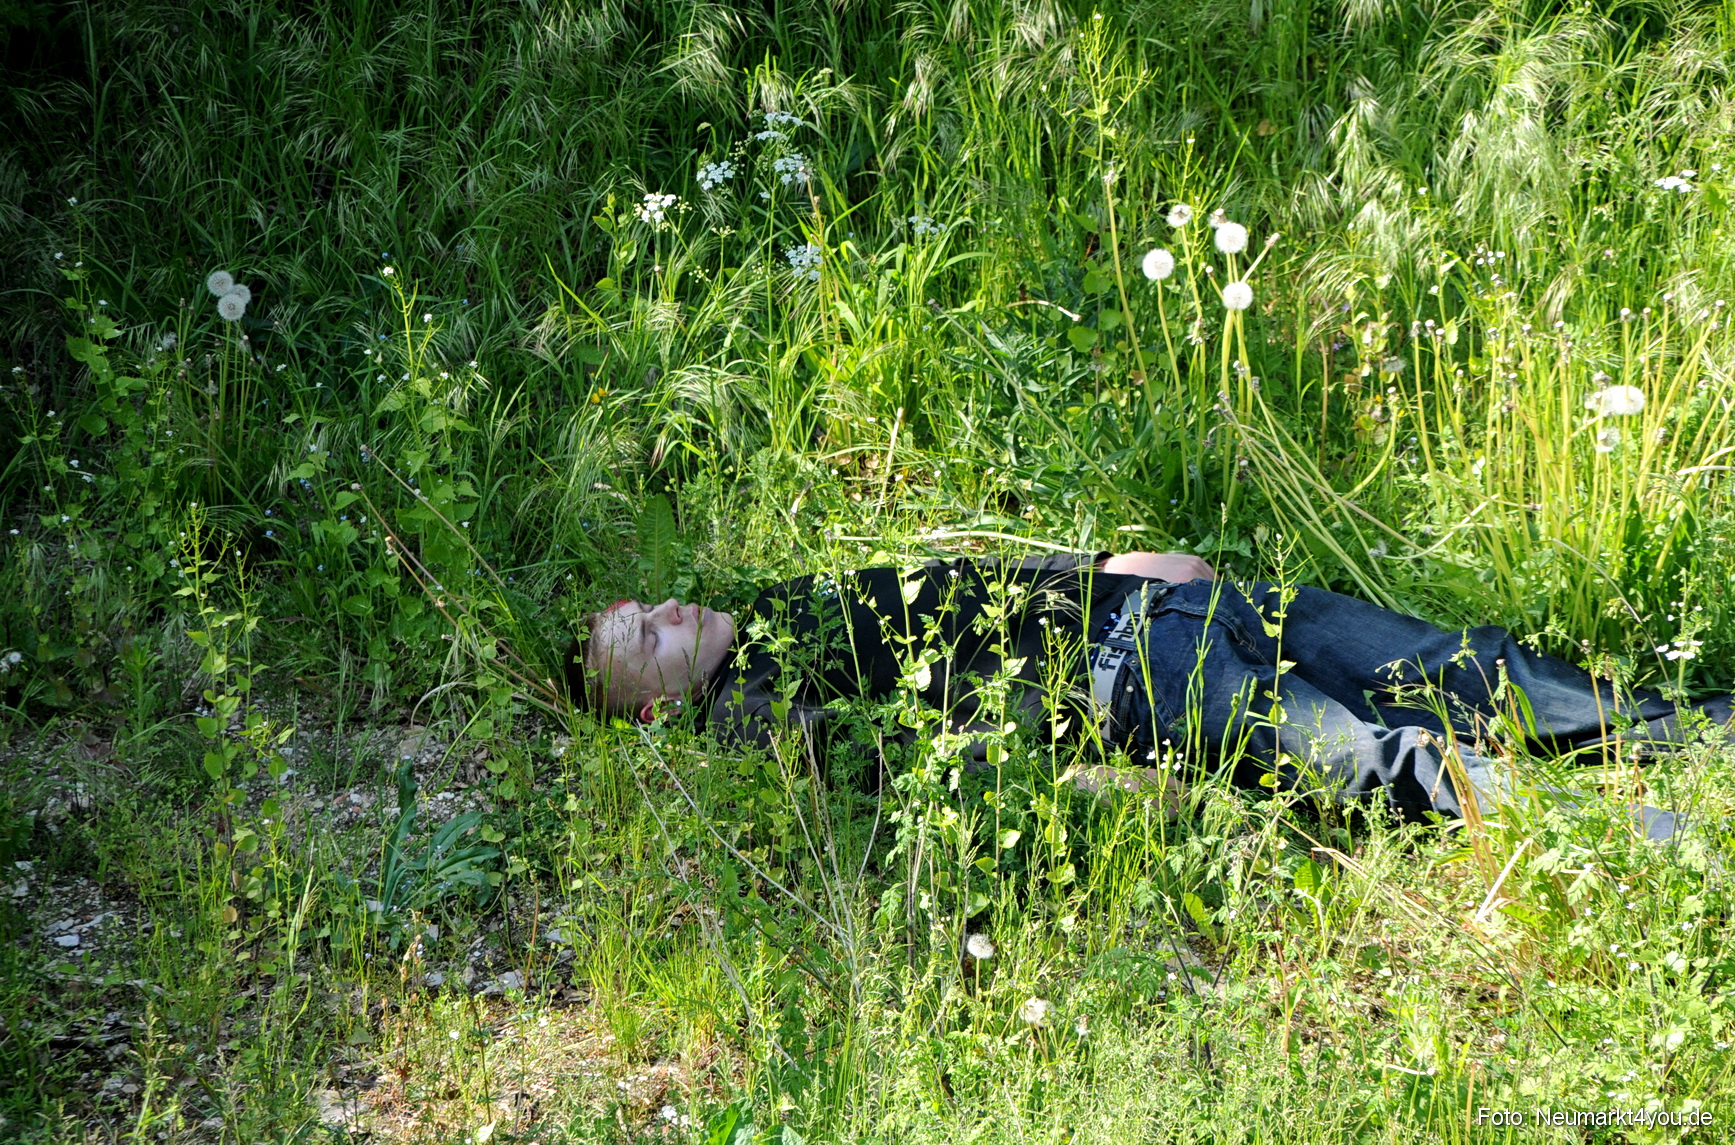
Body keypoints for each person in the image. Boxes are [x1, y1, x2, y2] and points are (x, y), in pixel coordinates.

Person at [565, 550, 1730, 841]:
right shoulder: (761, 712)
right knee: (1382, 760)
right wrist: (1103, 731)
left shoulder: (772, 608)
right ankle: (1636, 838)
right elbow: (959, 748)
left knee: (1467, 666)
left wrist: (1116, 570)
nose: (667, 614)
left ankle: (1704, 742)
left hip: (1169, 610)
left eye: (650, 605)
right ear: (662, 708)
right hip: (1147, 679)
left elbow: (973, 600)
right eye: (646, 640)